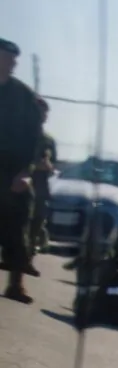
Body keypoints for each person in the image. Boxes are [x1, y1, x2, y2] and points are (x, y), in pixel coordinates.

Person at [0, 38, 42, 304]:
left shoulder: (24, 96)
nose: (10, 64)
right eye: (5, 58)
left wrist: (26, 172)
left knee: (17, 226)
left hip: (13, 171)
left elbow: (35, 139)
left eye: (12, 61)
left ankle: (16, 284)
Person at [27, 96, 56, 271]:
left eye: (45, 113)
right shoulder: (21, 135)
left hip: (41, 187)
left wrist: (48, 166)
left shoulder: (48, 140)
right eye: (40, 112)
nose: (43, 116)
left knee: (36, 225)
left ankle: (27, 260)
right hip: (21, 184)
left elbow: (54, 165)